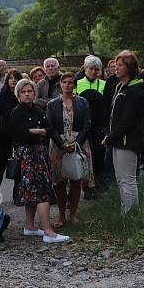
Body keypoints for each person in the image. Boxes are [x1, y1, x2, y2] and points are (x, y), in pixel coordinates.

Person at [8, 80, 68, 243]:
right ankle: (48, 232)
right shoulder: (16, 112)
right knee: (41, 192)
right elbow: (21, 134)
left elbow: (49, 129)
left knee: (36, 191)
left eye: (30, 91)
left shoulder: (38, 110)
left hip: (40, 154)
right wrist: (39, 133)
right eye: (24, 91)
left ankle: (30, 226)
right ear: (19, 94)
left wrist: (38, 131)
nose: (27, 94)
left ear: (34, 93)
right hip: (28, 156)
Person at [102, 51, 144, 213]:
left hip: (127, 141)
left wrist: (110, 137)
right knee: (122, 179)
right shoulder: (122, 86)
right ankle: (128, 212)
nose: (116, 68)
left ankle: (130, 216)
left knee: (127, 180)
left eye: (120, 65)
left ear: (129, 67)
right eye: (116, 65)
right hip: (118, 140)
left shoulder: (135, 89)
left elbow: (127, 120)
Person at [46, 72, 91, 227]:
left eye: (70, 82)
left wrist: (77, 143)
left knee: (76, 180)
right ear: (60, 84)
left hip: (78, 143)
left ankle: (73, 214)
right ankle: (61, 216)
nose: (67, 85)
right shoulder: (52, 104)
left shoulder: (83, 102)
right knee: (59, 181)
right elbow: (49, 127)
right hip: (58, 145)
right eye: (64, 82)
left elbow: (86, 125)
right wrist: (61, 144)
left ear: (75, 85)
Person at [75, 56, 106, 196]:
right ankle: (85, 186)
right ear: (85, 69)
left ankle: (97, 183)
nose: (93, 72)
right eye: (90, 69)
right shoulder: (77, 83)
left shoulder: (104, 84)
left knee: (98, 154)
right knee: (84, 155)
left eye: (96, 69)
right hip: (81, 126)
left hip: (98, 125)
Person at [0, 69, 21, 191]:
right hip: (4, 137)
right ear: (7, 81)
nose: (13, 80)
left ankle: (18, 194)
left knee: (20, 167)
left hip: (20, 137)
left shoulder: (23, 97)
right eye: (11, 78)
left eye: (16, 78)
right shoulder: (2, 98)